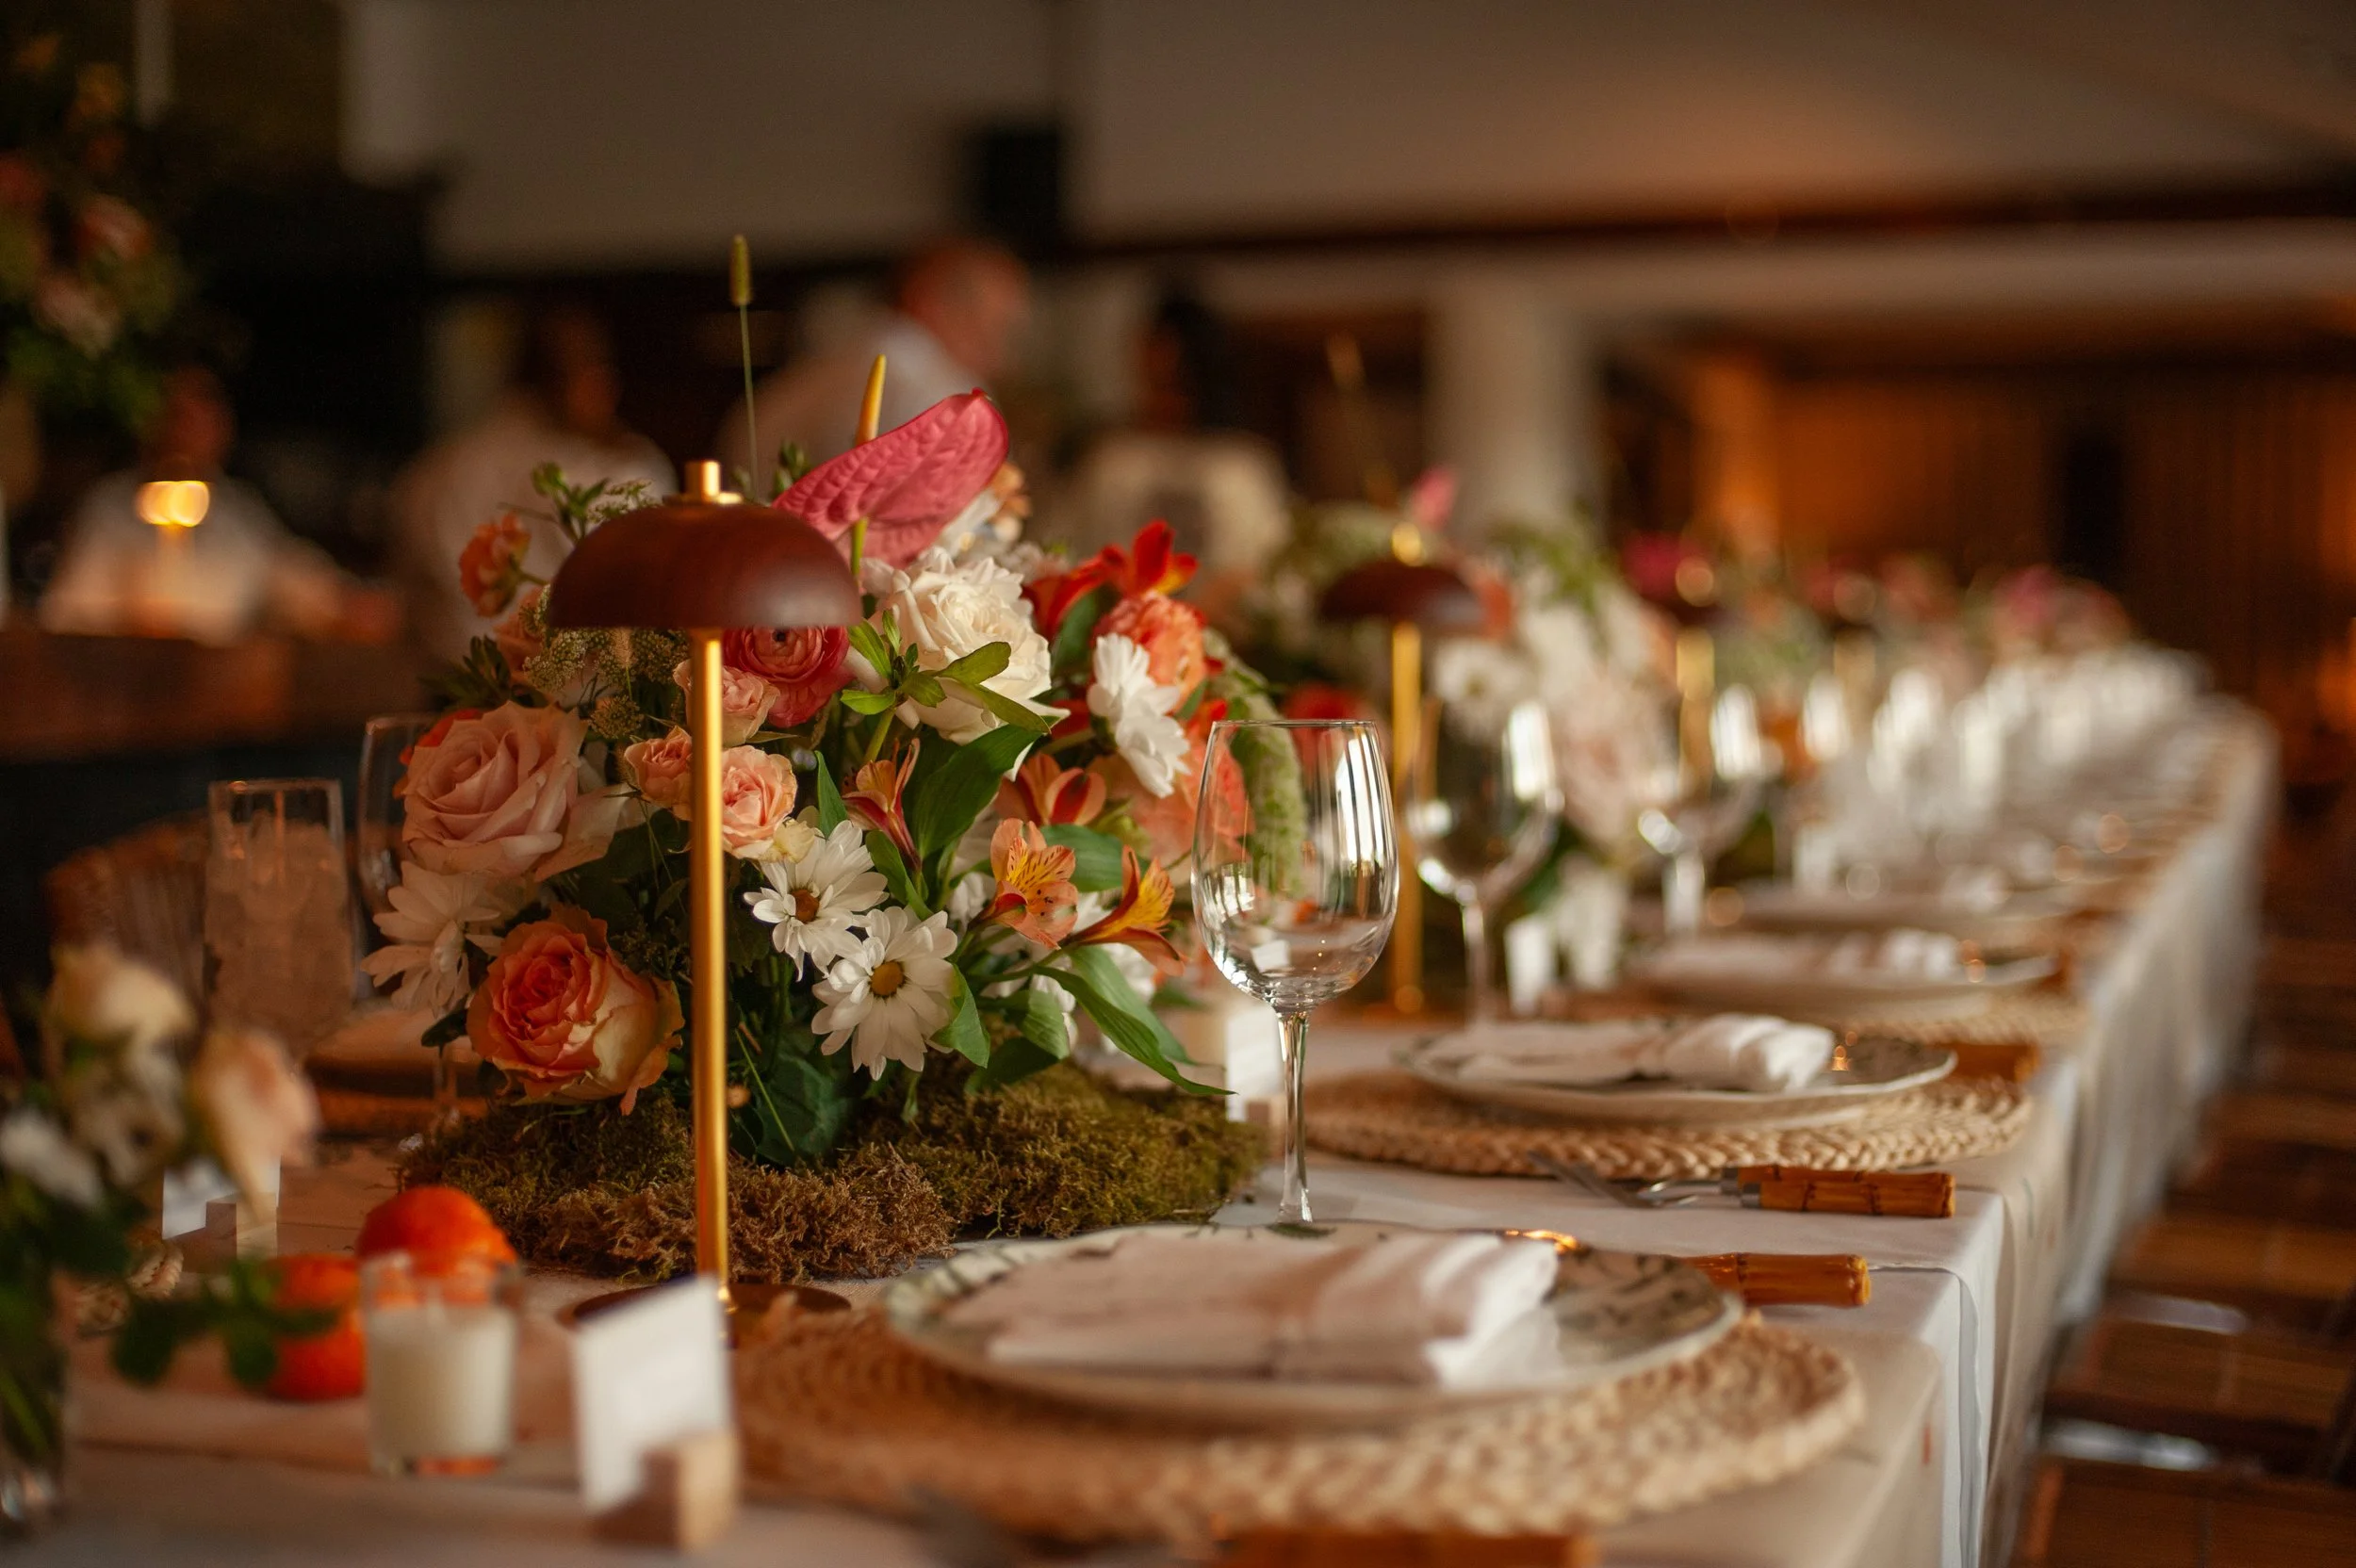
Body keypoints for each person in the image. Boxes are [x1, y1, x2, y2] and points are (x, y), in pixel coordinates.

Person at [393, 304, 673, 660]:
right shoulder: (621, 472)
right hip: (580, 698)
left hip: (457, 683)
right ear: (590, 381)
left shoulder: (432, 470)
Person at [39, 367, 346, 645]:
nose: (188, 435)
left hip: (222, 690)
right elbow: (66, 614)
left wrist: (346, 604)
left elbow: (293, 577)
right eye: (178, 417)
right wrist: (135, 626)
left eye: (202, 421)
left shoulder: (238, 511)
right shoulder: (110, 508)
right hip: (127, 687)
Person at [715, 237, 1029, 483]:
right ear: (929, 300)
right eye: (994, 330)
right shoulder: (947, 400)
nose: (999, 358)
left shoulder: (792, 384)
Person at [1057, 286, 1289, 595]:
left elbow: (1269, 572)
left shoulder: (1240, 466)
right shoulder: (1109, 457)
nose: (1165, 398)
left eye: (1174, 383)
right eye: (1157, 383)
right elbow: (1066, 554)